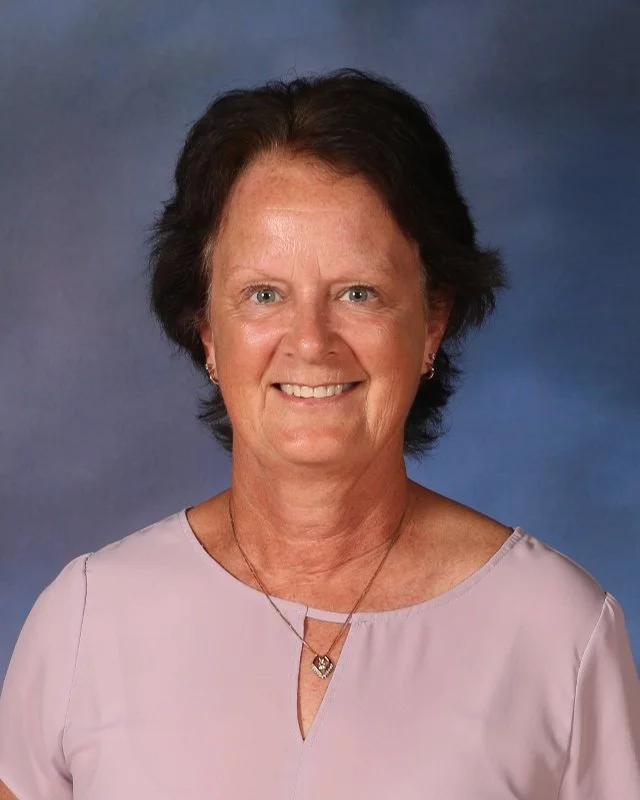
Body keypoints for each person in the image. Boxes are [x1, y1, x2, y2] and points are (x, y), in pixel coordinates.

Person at [1, 68, 638, 800]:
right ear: (207, 330)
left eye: (358, 293)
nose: (311, 341)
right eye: (263, 294)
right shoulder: (87, 617)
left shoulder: (559, 631)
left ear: (431, 322)